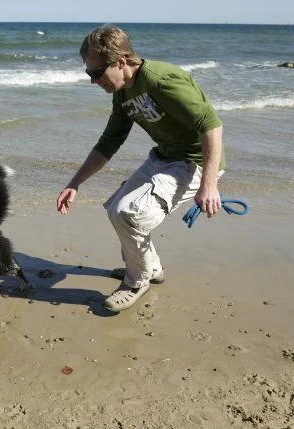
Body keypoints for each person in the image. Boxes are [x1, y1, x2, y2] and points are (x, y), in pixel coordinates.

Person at [56, 24, 225, 312]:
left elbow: (211, 126)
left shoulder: (162, 81)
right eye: (89, 73)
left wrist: (209, 185)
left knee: (130, 213)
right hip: (164, 157)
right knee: (115, 209)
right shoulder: (123, 92)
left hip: (195, 162)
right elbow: (109, 141)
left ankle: (136, 281)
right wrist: (75, 183)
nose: (93, 81)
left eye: (97, 73)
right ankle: (150, 267)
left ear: (121, 61)